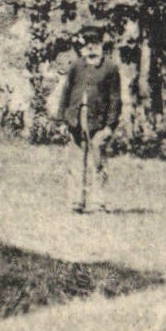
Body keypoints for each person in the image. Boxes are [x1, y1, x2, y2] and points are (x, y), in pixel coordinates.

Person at [56, 20, 122, 212]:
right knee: (75, 163)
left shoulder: (110, 68)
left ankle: (97, 202)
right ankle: (76, 202)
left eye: (95, 42)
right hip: (76, 120)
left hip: (98, 122)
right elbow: (66, 93)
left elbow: (115, 99)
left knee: (97, 162)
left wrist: (110, 125)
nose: (91, 46)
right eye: (87, 42)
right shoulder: (77, 66)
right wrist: (62, 119)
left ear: (102, 44)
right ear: (83, 45)